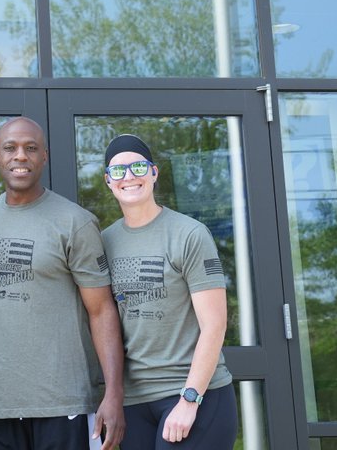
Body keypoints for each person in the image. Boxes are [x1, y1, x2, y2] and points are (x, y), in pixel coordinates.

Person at [0, 116, 125, 450]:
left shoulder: (75, 222)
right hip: (0, 402)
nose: (20, 156)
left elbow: (101, 311)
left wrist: (113, 394)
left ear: (44, 156)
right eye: (10, 148)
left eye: (31, 148)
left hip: (64, 401)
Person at [99, 134, 237, 450]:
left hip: (194, 394)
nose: (129, 177)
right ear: (108, 181)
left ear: (154, 172)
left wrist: (190, 399)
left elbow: (215, 325)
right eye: (118, 171)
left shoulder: (189, 234)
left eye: (137, 167)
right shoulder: (104, 242)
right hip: (135, 403)